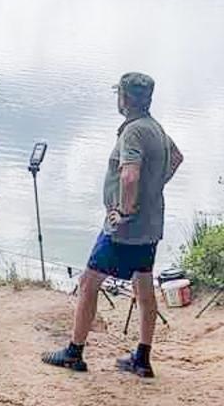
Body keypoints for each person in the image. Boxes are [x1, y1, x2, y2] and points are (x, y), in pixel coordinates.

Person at [43, 71, 183, 377]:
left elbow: (129, 175)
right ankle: (142, 359)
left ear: (125, 99)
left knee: (88, 282)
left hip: (125, 229)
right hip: (149, 227)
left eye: (119, 94)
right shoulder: (155, 128)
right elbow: (176, 157)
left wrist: (124, 209)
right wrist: (155, 187)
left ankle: (74, 352)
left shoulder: (133, 132)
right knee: (144, 287)